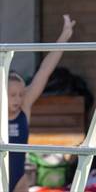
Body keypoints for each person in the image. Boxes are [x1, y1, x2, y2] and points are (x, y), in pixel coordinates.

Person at [8, 14, 75, 192]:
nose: (18, 99)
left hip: (18, 180)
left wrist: (64, 36)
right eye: (12, 95)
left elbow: (45, 70)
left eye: (21, 94)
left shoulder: (24, 106)